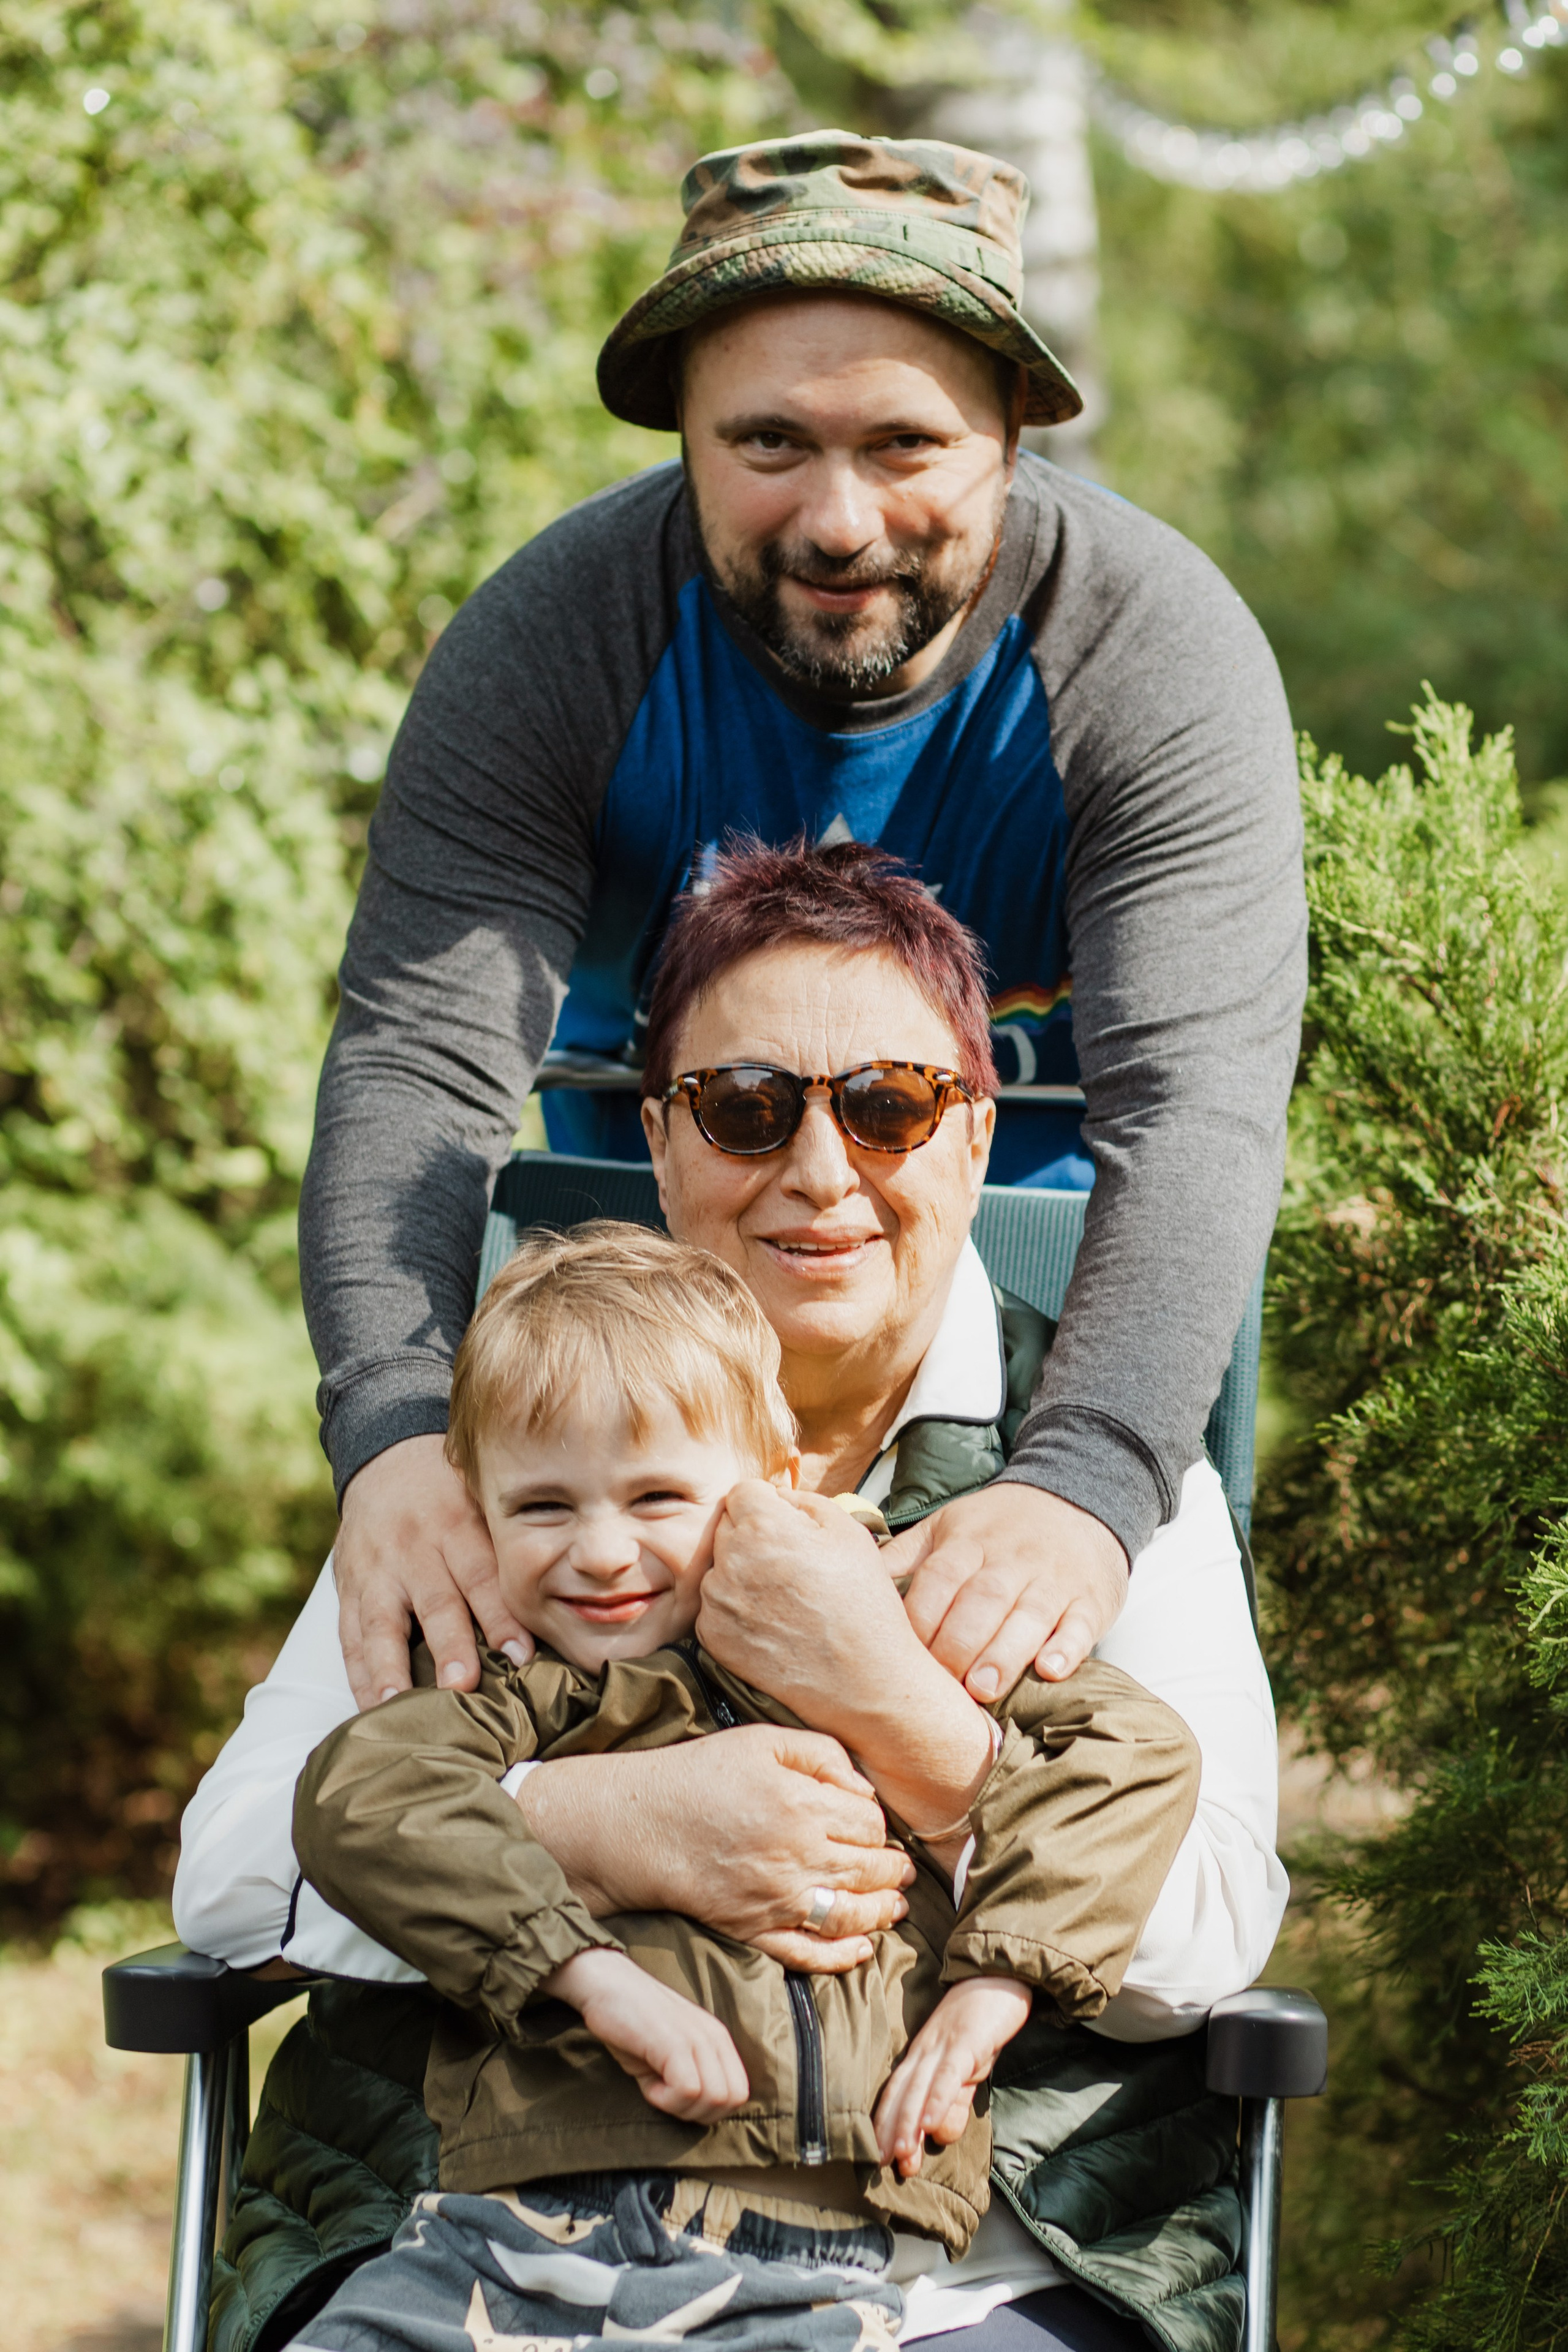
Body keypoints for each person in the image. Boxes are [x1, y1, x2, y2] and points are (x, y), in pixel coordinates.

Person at [176, 842, 1286, 2352]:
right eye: (746, 1107)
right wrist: (589, 1824)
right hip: (466, 2241)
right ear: (658, 1139)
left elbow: (1209, 1934)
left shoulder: (1095, 1470)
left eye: (891, 1105)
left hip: (964, 2274)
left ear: (974, 1138)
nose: (820, 1170)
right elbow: (235, 1879)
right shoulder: (502, 1458)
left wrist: (897, 1713)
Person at [302, 127, 1306, 1746]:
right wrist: (399, 1436)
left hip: (1028, 1337)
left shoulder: (1149, 657)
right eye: (768, 440)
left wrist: (1085, 1477)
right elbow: (417, 1067)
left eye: (905, 443)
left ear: (1010, 430)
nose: (838, 521)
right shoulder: (553, 643)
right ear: (683, 435)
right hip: (633, 1339)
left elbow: (1196, 1109)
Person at [280, 1221, 1199, 2352]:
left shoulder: (883, 1629)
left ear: (772, 1486)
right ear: (478, 1508)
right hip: (500, 2234)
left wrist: (992, 1993)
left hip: (804, 2258)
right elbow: (358, 1792)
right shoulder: (519, 1686)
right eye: (544, 1507)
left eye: (658, 1497)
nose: (601, 1552)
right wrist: (587, 1976)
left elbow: (1130, 1754)